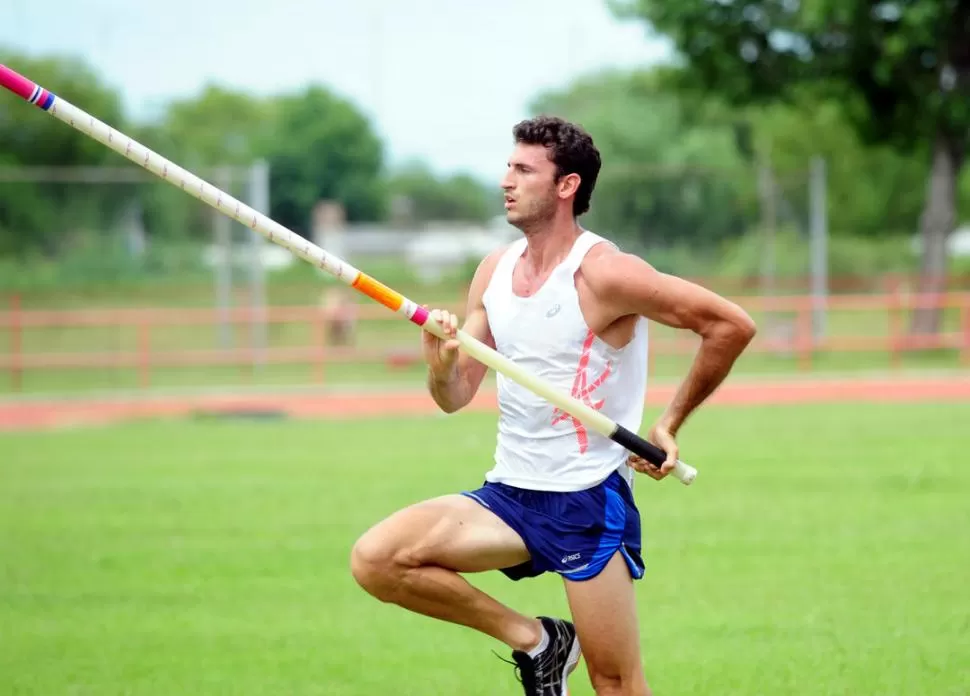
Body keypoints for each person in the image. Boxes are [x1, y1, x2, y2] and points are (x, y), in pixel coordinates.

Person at [350, 116, 757, 696]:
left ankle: (561, 651)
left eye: (523, 170)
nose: (506, 181)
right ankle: (539, 641)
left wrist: (668, 423)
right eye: (507, 166)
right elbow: (454, 396)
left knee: (616, 683)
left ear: (566, 186)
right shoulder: (493, 271)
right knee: (379, 559)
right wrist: (438, 362)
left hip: (586, 497)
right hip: (511, 493)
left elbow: (730, 325)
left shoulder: (604, 273)